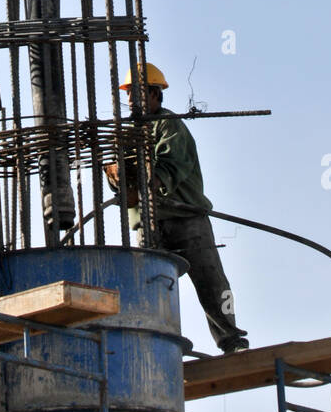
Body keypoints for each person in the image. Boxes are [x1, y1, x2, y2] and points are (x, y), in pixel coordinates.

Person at [106, 62, 249, 355]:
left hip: (185, 216)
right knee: (150, 282)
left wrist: (146, 180)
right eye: (129, 93)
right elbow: (119, 180)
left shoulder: (169, 126)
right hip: (148, 222)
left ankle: (232, 339)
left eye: (138, 92)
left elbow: (171, 167)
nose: (132, 99)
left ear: (156, 94)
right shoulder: (124, 134)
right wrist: (115, 175)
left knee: (211, 280)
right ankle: (157, 343)